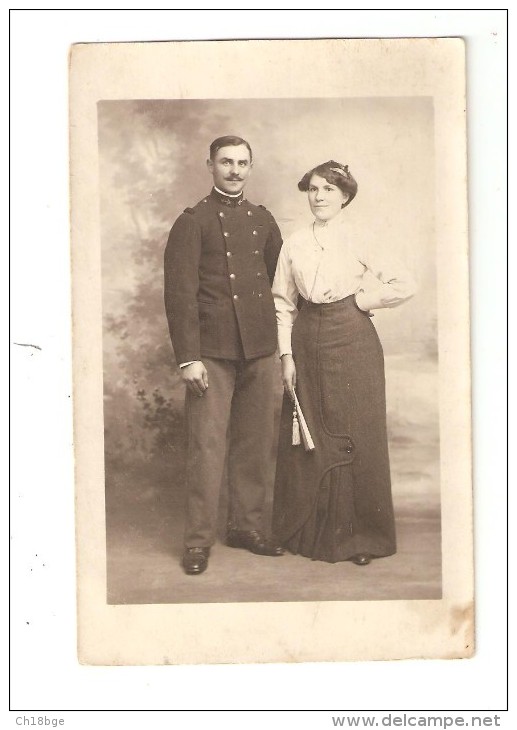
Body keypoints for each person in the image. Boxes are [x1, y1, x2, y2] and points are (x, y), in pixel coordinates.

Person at [272, 160, 416, 565]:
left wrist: (361, 301)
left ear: (345, 197)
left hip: (352, 340)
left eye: (328, 190)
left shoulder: (360, 236)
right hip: (306, 339)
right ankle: (306, 529)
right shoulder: (295, 242)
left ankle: (359, 537)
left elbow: (404, 282)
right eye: (313, 189)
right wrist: (286, 355)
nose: (319, 197)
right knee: (310, 429)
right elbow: (283, 303)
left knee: (356, 431)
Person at [164, 135, 285, 575]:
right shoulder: (192, 222)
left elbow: (280, 286)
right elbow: (179, 296)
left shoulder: (263, 220)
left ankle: (246, 527)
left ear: (251, 167)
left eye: (243, 163)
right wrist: (188, 357)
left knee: (254, 445)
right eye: (226, 162)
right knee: (207, 448)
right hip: (211, 351)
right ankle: (198, 541)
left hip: (258, 348)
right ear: (210, 165)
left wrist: (280, 348)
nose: (235, 170)